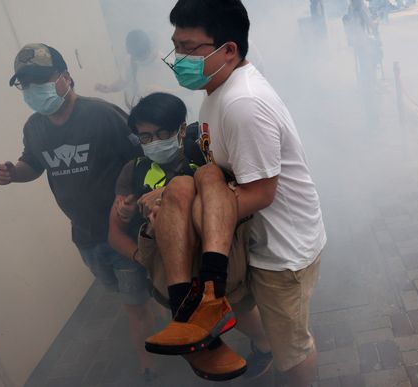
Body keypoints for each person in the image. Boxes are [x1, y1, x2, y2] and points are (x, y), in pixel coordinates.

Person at [144, 0, 327, 385]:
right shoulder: (216, 91)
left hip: (281, 250)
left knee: (291, 351)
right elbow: (224, 173)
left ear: (228, 49)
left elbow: (261, 193)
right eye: (176, 46)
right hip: (247, 240)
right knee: (180, 187)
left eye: (190, 48)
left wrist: (193, 221)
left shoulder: (243, 103)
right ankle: (194, 314)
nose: (179, 58)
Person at [0, 44, 158, 380]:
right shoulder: (35, 128)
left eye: (41, 79)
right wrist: (14, 172)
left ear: (66, 77)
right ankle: (152, 307)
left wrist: (133, 196)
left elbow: (143, 158)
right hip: (84, 238)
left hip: (122, 233)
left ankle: (148, 368)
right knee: (126, 295)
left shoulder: (102, 115)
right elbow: (33, 164)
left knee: (133, 305)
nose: (33, 89)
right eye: (25, 84)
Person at [108, 92, 250, 380]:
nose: (154, 142)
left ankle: (214, 306)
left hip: (216, 253)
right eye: (145, 137)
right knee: (183, 185)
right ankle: (186, 315)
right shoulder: (134, 171)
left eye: (161, 134)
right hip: (170, 262)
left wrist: (168, 192)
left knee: (198, 179)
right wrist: (137, 247)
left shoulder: (206, 153)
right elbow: (114, 231)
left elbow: (241, 189)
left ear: (182, 130)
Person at [95, 30, 203, 122]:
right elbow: (124, 81)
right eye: (136, 56)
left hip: (166, 114)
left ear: (150, 47)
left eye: (142, 56)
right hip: (143, 116)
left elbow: (191, 88)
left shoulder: (167, 63)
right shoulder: (131, 60)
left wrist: (164, 91)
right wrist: (109, 88)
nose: (140, 60)